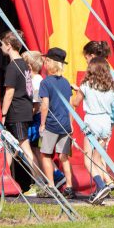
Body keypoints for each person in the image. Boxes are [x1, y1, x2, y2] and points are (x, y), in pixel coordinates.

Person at [73, 56, 114, 205]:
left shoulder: (86, 85)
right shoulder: (111, 87)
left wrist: (78, 94)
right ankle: (101, 186)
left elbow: (75, 102)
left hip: (92, 122)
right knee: (97, 158)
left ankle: (100, 184)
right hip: (106, 123)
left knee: (87, 158)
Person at [0, 31, 36, 193]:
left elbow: (9, 92)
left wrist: (3, 113)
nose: (0, 46)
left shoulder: (13, 67)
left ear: (9, 46)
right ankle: (4, 180)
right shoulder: (25, 65)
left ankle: (38, 182)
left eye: (2, 44)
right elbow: (29, 89)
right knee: (8, 145)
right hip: (24, 109)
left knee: (24, 146)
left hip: (16, 112)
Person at [38, 47, 75, 198]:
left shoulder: (45, 83)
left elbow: (45, 105)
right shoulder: (66, 83)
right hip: (65, 125)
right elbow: (71, 106)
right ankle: (70, 187)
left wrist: (42, 124)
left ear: (50, 63)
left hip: (52, 125)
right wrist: (71, 124)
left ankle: (51, 186)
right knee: (63, 156)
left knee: (45, 155)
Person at [83, 40, 114, 127]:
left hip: (98, 118)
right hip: (109, 118)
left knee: (92, 140)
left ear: (92, 56)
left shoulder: (98, 74)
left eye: (86, 58)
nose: (86, 61)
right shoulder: (112, 73)